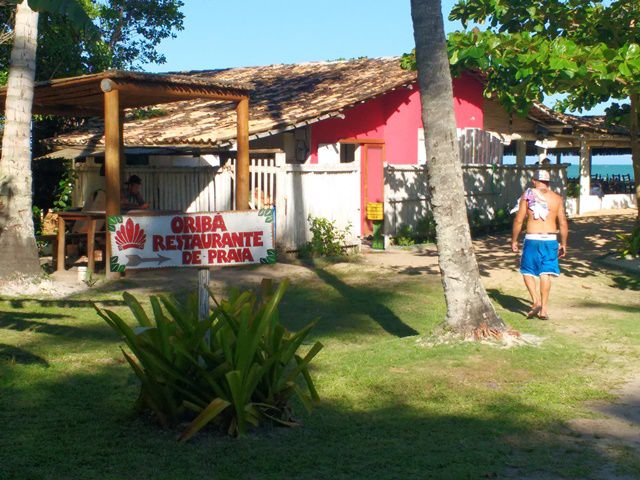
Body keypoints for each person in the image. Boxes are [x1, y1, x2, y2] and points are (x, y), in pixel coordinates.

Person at [511, 170, 568, 320]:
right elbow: (562, 223)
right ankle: (544, 310)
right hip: (550, 239)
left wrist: (514, 240)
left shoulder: (528, 195)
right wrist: (564, 243)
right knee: (546, 273)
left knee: (527, 270)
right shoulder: (557, 198)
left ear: (534, 180)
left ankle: (536, 301)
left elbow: (519, 220)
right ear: (548, 182)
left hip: (532, 238)